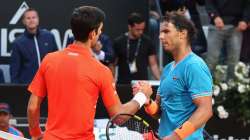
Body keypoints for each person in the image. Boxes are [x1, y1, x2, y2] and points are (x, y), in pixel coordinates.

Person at [27, 6, 153, 140]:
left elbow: (32, 107)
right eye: (100, 30)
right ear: (93, 34)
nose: (100, 34)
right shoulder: (101, 71)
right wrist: (142, 96)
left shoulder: (49, 60)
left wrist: (36, 134)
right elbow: (119, 117)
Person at [138, 13, 213, 139]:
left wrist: (175, 136)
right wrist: (147, 102)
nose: (161, 36)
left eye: (166, 31)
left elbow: (205, 110)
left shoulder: (194, 65)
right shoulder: (167, 69)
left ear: (182, 33)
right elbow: (159, 113)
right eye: (160, 32)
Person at [205, 0, 250, 80]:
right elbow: (209, 2)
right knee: (212, 59)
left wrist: (245, 20)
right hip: (216, 26)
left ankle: (231, 87)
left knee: (234, 61)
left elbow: (248, 5)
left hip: (236, 27)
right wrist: (215, 16)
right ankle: (204, 87)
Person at [10, 8, 58, 84]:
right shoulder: (18, 43)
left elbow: (56, 62)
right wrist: (16, 92)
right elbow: (14, 72)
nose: (31, 20)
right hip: (27, 87)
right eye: (28, 18)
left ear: (38, 19)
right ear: (24, 21)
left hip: (48, 84)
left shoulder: (49, 37)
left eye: (34, 17)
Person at [112, 12, 161, 84]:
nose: (140, 32)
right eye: (137, 29)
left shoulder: (148, 42)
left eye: (142, 29)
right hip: (123, 84)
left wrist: (161, 81)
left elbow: (153, 65)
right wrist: (112, 82)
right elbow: (113, 64)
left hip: (142, 84)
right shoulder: (119, 42)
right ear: (130, 27)